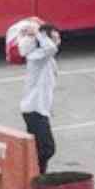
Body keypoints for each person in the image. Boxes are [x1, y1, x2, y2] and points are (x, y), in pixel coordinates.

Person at [17, 20, 60, 174]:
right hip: (34, 110)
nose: (58, 41)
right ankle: (35, 174)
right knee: (47, 149)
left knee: (41, 148)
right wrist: (38, 33)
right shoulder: (37, 58)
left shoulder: (46, 59)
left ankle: (37, 175)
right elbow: (50, 48)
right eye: (54, 37)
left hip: (40, 110)